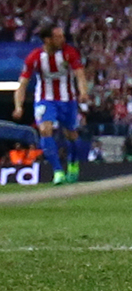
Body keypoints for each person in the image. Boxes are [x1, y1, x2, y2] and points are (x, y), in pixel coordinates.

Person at [14, 23, 90, 184]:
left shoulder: (69, 53)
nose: (63, 39)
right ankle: (57, 171)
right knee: (45, 129)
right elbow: (22, 84)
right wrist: (18, 106)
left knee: (71, 135)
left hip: (68, 100)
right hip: (45, 99)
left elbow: (80, 75)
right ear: (47, 39)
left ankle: (73, 163)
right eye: (58, 36)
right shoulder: (34, 57)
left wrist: (83, 92)